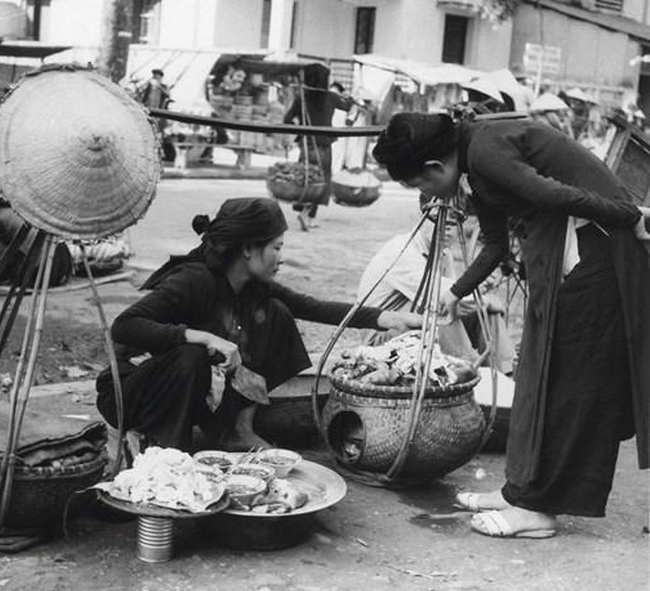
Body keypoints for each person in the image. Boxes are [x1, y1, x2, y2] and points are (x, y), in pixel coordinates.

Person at [372, 112, 650, 539]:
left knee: (571, 382)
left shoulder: (485, 149)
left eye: (418, 185)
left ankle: (540, 509)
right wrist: (455, 292)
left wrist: (627, 214)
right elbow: (496, 243)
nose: (424, 193)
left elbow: (555, 195)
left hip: (597, 256)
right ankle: (519, 491)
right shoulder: (475, 163)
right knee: (534, 375)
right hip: (566, 257)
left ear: (434, 168)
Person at [95, 197, 421, 455]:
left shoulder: (251, 284)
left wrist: (385, 318)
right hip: (132, 396)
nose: (281, 257)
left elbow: (309, 306)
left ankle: (239, 428)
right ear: (248, 249)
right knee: (192, 354)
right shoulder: (193, 280)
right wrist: (201, 337)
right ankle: (166, 449)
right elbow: (124, 327)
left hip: (190, 388)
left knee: (277, 313)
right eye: (277, 248)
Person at [357, 208, 515, 374]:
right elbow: (445, 299)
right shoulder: (403, 250)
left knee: (485, 315)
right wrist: (485, 300)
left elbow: (456, 299)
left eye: (454, 223)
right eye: (438, 219)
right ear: (421, 218)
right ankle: (467, 372)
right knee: (439, 309)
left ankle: (504, 373)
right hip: (382, 337)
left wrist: (479, 292)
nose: (446, 228)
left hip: (419, 325)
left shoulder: (444, 253)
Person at [284, 67, 352, 231]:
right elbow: (347, 106)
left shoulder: (302, 97)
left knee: (308, 179)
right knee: (321, 180)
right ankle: (307, 214)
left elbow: (287, 119)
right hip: (323, 144)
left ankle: (308, 215)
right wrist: (349, 98)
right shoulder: (331, 96)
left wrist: (299, 128)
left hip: (306, 143)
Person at [0, 198, 71, 287]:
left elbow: (5, 258)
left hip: (46, 269)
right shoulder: (9, 209)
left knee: (3, 272)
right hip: (63, 262)